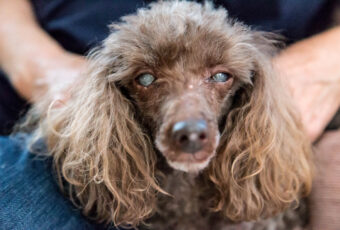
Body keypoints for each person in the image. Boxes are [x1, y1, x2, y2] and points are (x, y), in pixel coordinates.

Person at [0, 0, 339, 229]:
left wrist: (326, 63)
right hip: (57, 107)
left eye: (219, 77)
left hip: (299, 90)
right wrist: (38, 66)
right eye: (147, 80)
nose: (190, 126)